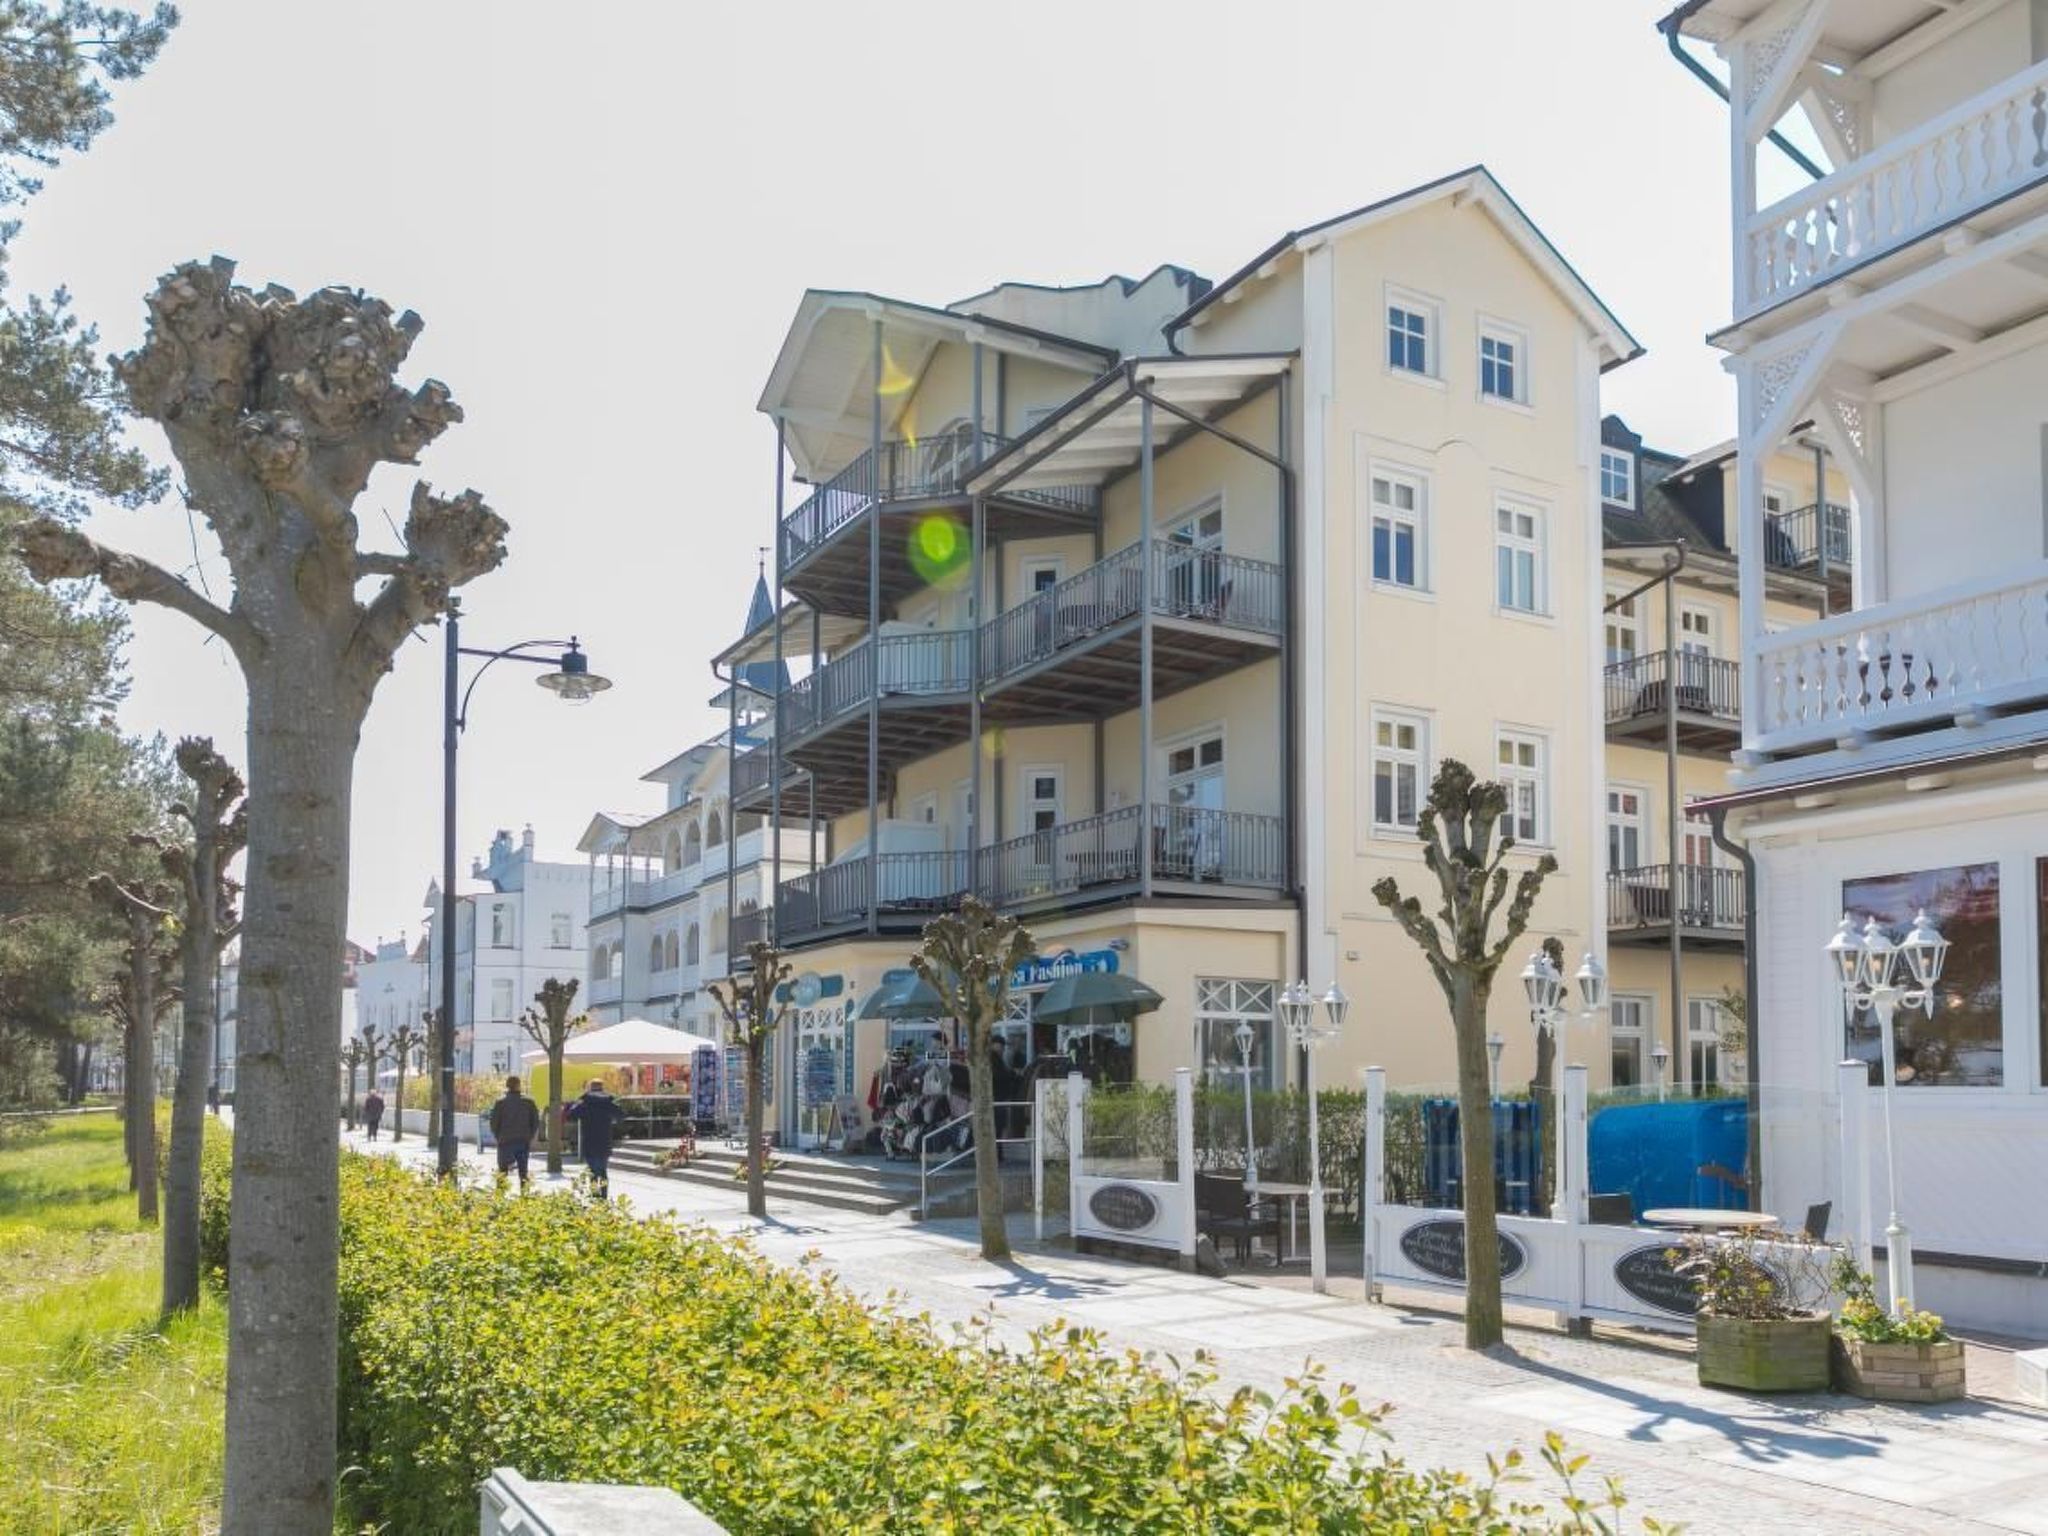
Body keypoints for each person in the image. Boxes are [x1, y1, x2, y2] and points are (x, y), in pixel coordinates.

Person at [564, 1078, 628, 1198]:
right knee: (602, 1171)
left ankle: (594, 1195)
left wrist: (573, 1104)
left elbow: (570, 1116)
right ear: (602, 1088)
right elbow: (621, 1115)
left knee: (592, 1171)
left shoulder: (584, 1104)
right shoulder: (609, 1104)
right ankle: (603, 1196)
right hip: (604, 1141)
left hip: (589, 1141)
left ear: (590, 1088)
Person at [488, 1075, 541, 1187]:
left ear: (507, 1086)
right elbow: (535, 1122)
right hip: (523, 1141)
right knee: (523, 1173)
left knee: (502, 1172)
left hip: (505, 1141)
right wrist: (529, 1136)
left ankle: (499, 1198)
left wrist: (498, 1136)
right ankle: (525, 1198)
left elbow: (493, 1123)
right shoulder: (528, 1102)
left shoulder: (500, 1103)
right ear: (519, 1085)